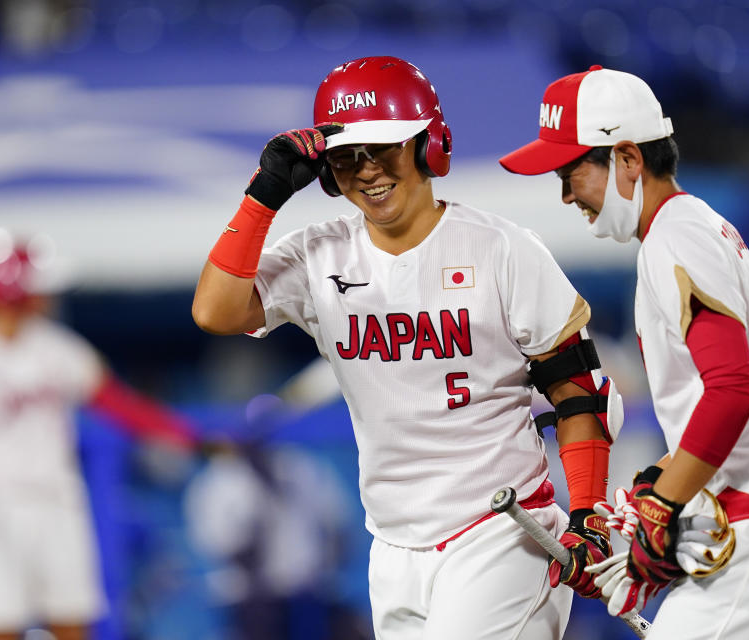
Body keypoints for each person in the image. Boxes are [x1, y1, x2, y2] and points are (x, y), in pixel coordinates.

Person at [191, 56, 625, 640]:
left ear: (429, 145)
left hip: (501, 529)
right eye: (346, 157)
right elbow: (213, 311)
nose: (366, 171)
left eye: (383, 149)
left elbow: (578, 389)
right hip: (392, 542)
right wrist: (264, 195)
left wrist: (589, 513)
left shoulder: (502, 249)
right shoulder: (317, 252)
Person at [499, 65, 749, 639]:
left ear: (628, 158)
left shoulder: (676, 236)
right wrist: (655, 481)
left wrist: (660, 508)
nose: (565, 193)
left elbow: (733, 391)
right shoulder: (703, 229)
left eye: (570, 171)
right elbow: (737, 402)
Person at [0, 228, 198, 640]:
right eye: (35, 285)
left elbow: (116, 404)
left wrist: (186, 435)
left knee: (71, 621)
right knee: (0, 625)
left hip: (56, 503)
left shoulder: (57, 347)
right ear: (9, 288)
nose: (45, 294)